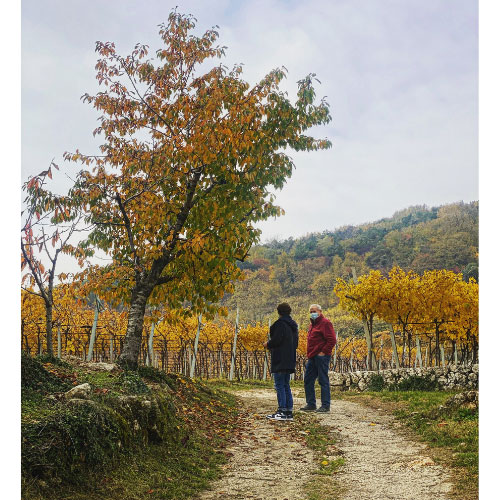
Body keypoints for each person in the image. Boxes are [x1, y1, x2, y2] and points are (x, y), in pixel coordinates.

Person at [263, 302, 299, 421]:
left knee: (279, 385)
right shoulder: (293, 326)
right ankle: (288, 412)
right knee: (286, 385)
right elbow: (296, 344)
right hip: (290, 359)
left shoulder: (280, 324)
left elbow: (276, 340)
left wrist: (268, 344)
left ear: (278, 312)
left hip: (280, 359)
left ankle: (281, 411)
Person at [300, 303, 336, 413]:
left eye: (314, 311)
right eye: (311, 312)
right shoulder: (312, 324)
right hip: (312, 356)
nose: (312, 313)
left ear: (320, 312)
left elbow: (332, 340)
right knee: (308, 380)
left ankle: (325, 405)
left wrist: (323, 352)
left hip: (321, 356)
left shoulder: (325, 323)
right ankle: (311, 404)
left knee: (323, 380)